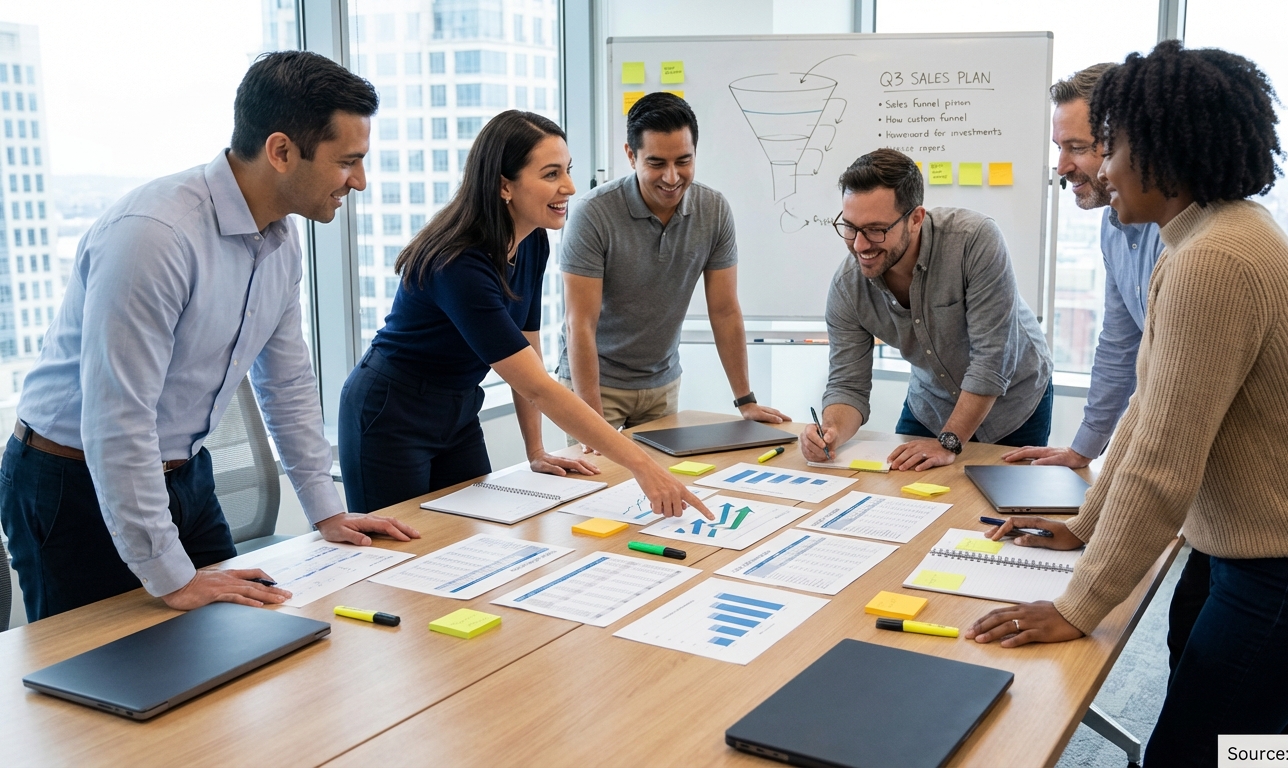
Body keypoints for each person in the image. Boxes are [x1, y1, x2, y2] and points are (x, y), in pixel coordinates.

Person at [966, 41, 1288, 766]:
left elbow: (1162, 459)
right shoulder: (1205, 238)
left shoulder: (1213, 261)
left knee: (1194, 753)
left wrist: (1076, 607)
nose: (1103, 168)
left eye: (1111, 147)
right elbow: (1153, 411)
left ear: (1162, 148)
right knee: (1284, 749)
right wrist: (1085, 527)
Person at [0, 51, 420, 622]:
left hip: (184, 475)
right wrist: (173, 578)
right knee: (106, 687)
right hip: (73, 485)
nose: (360, 182)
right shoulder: (154, 237)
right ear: (280, 151)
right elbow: (117, 422)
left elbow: (288, 383)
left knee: (242, 638)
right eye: (348, 161)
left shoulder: (280, 238)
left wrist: (328, 512)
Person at [338, 110, 713, 523]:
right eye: (551, 174)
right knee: (397, 552)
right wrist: (643, 467)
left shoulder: (533, 242)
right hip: (390, 412)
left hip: (459, 408)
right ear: (504, 186)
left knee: (468, 535)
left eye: (567, 171)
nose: (569, 187)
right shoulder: (459, 263)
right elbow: (536, 385)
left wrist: (536, 451)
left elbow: (528, 349)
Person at [799, 148, 1053, 472]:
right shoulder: (847, 287)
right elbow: (848, 385)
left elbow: (992, 360)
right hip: (931, 405)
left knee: (1003, 510)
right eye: (850, 227)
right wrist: (831, 432)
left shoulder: (974, 240)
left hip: (1015, 404)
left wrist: (949, 441)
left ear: (915, 219)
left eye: (876, 229)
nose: (860, 245)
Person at [558, 92, 788, 440]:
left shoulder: (714, 211)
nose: (671, 177)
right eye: (656, 163)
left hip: (661, 384)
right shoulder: (594, 214)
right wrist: (592, 420)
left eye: (684, 161)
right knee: (601, 485)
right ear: (631, 155)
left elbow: (725, 311)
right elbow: (580, 324)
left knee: (661, 487)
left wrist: (745, 400)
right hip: (596, 383)